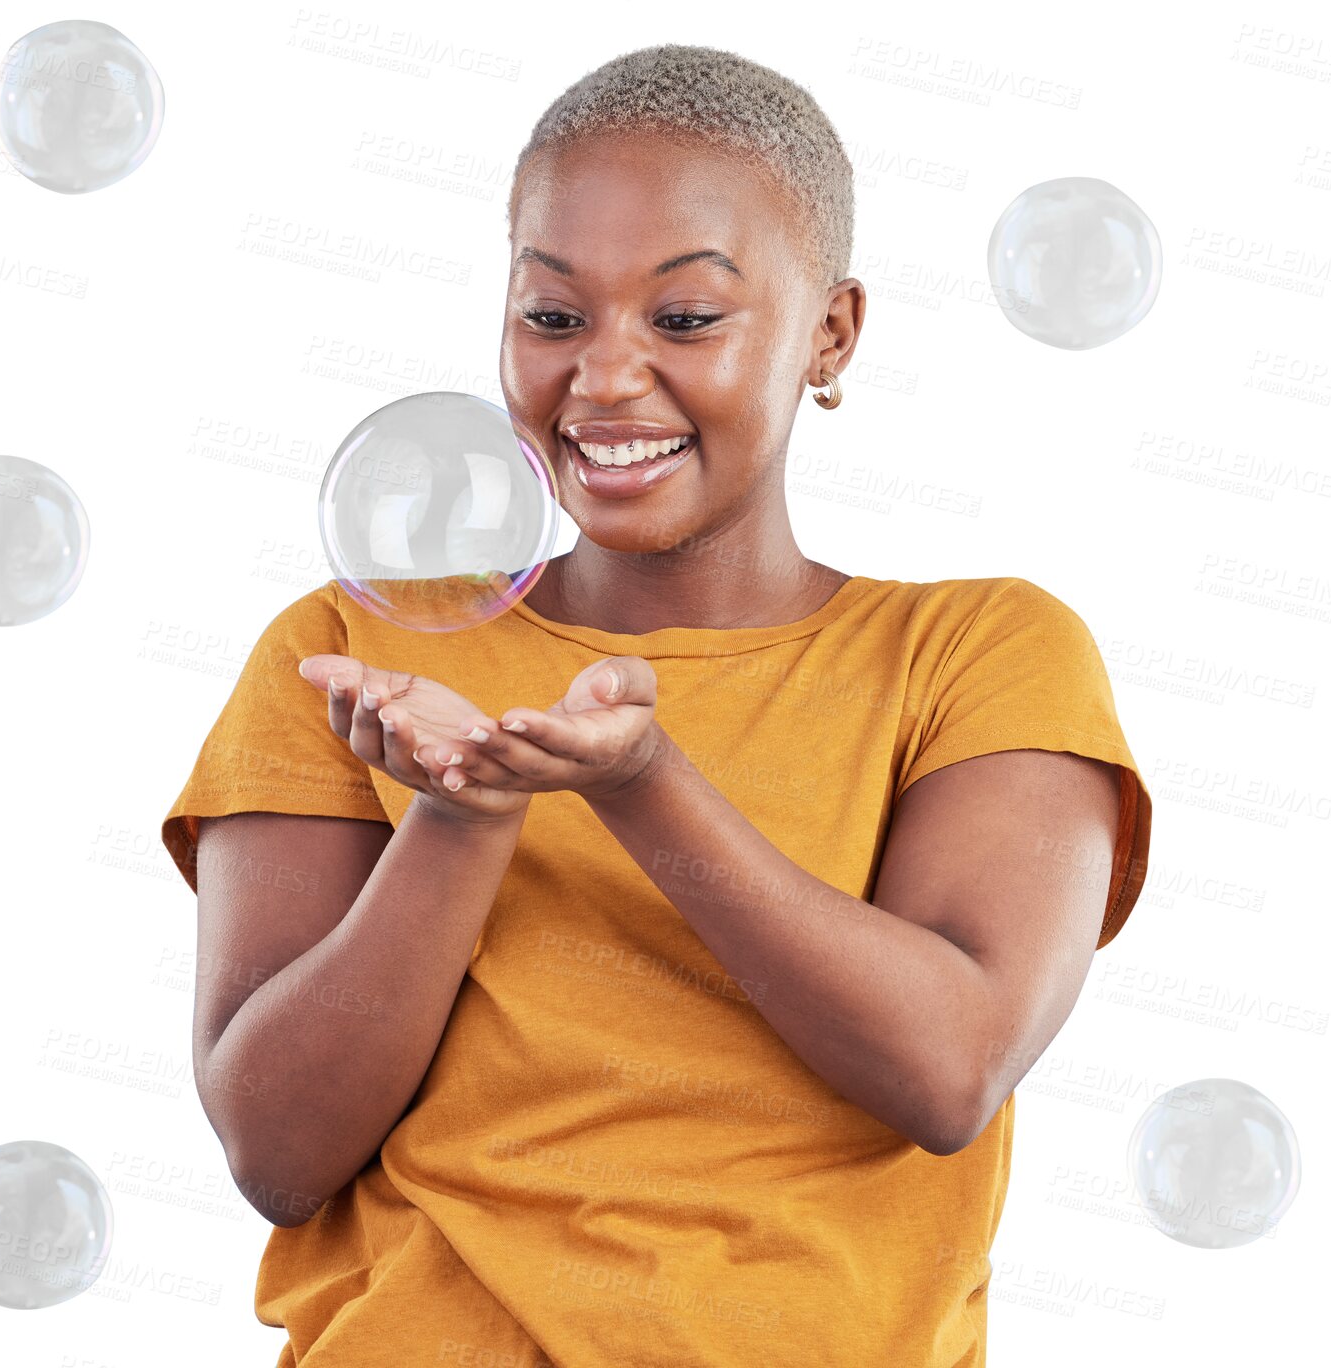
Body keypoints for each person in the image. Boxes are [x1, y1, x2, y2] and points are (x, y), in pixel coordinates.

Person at [161, 42, 1153, 1367]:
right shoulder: (351, 643)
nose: (605, 377)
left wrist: (643, 784)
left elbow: (946, 1069)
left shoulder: (978, 652)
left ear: (830, 332)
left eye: (683, 319)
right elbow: (276, 1152)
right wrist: (458, 822)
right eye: (552, 316)